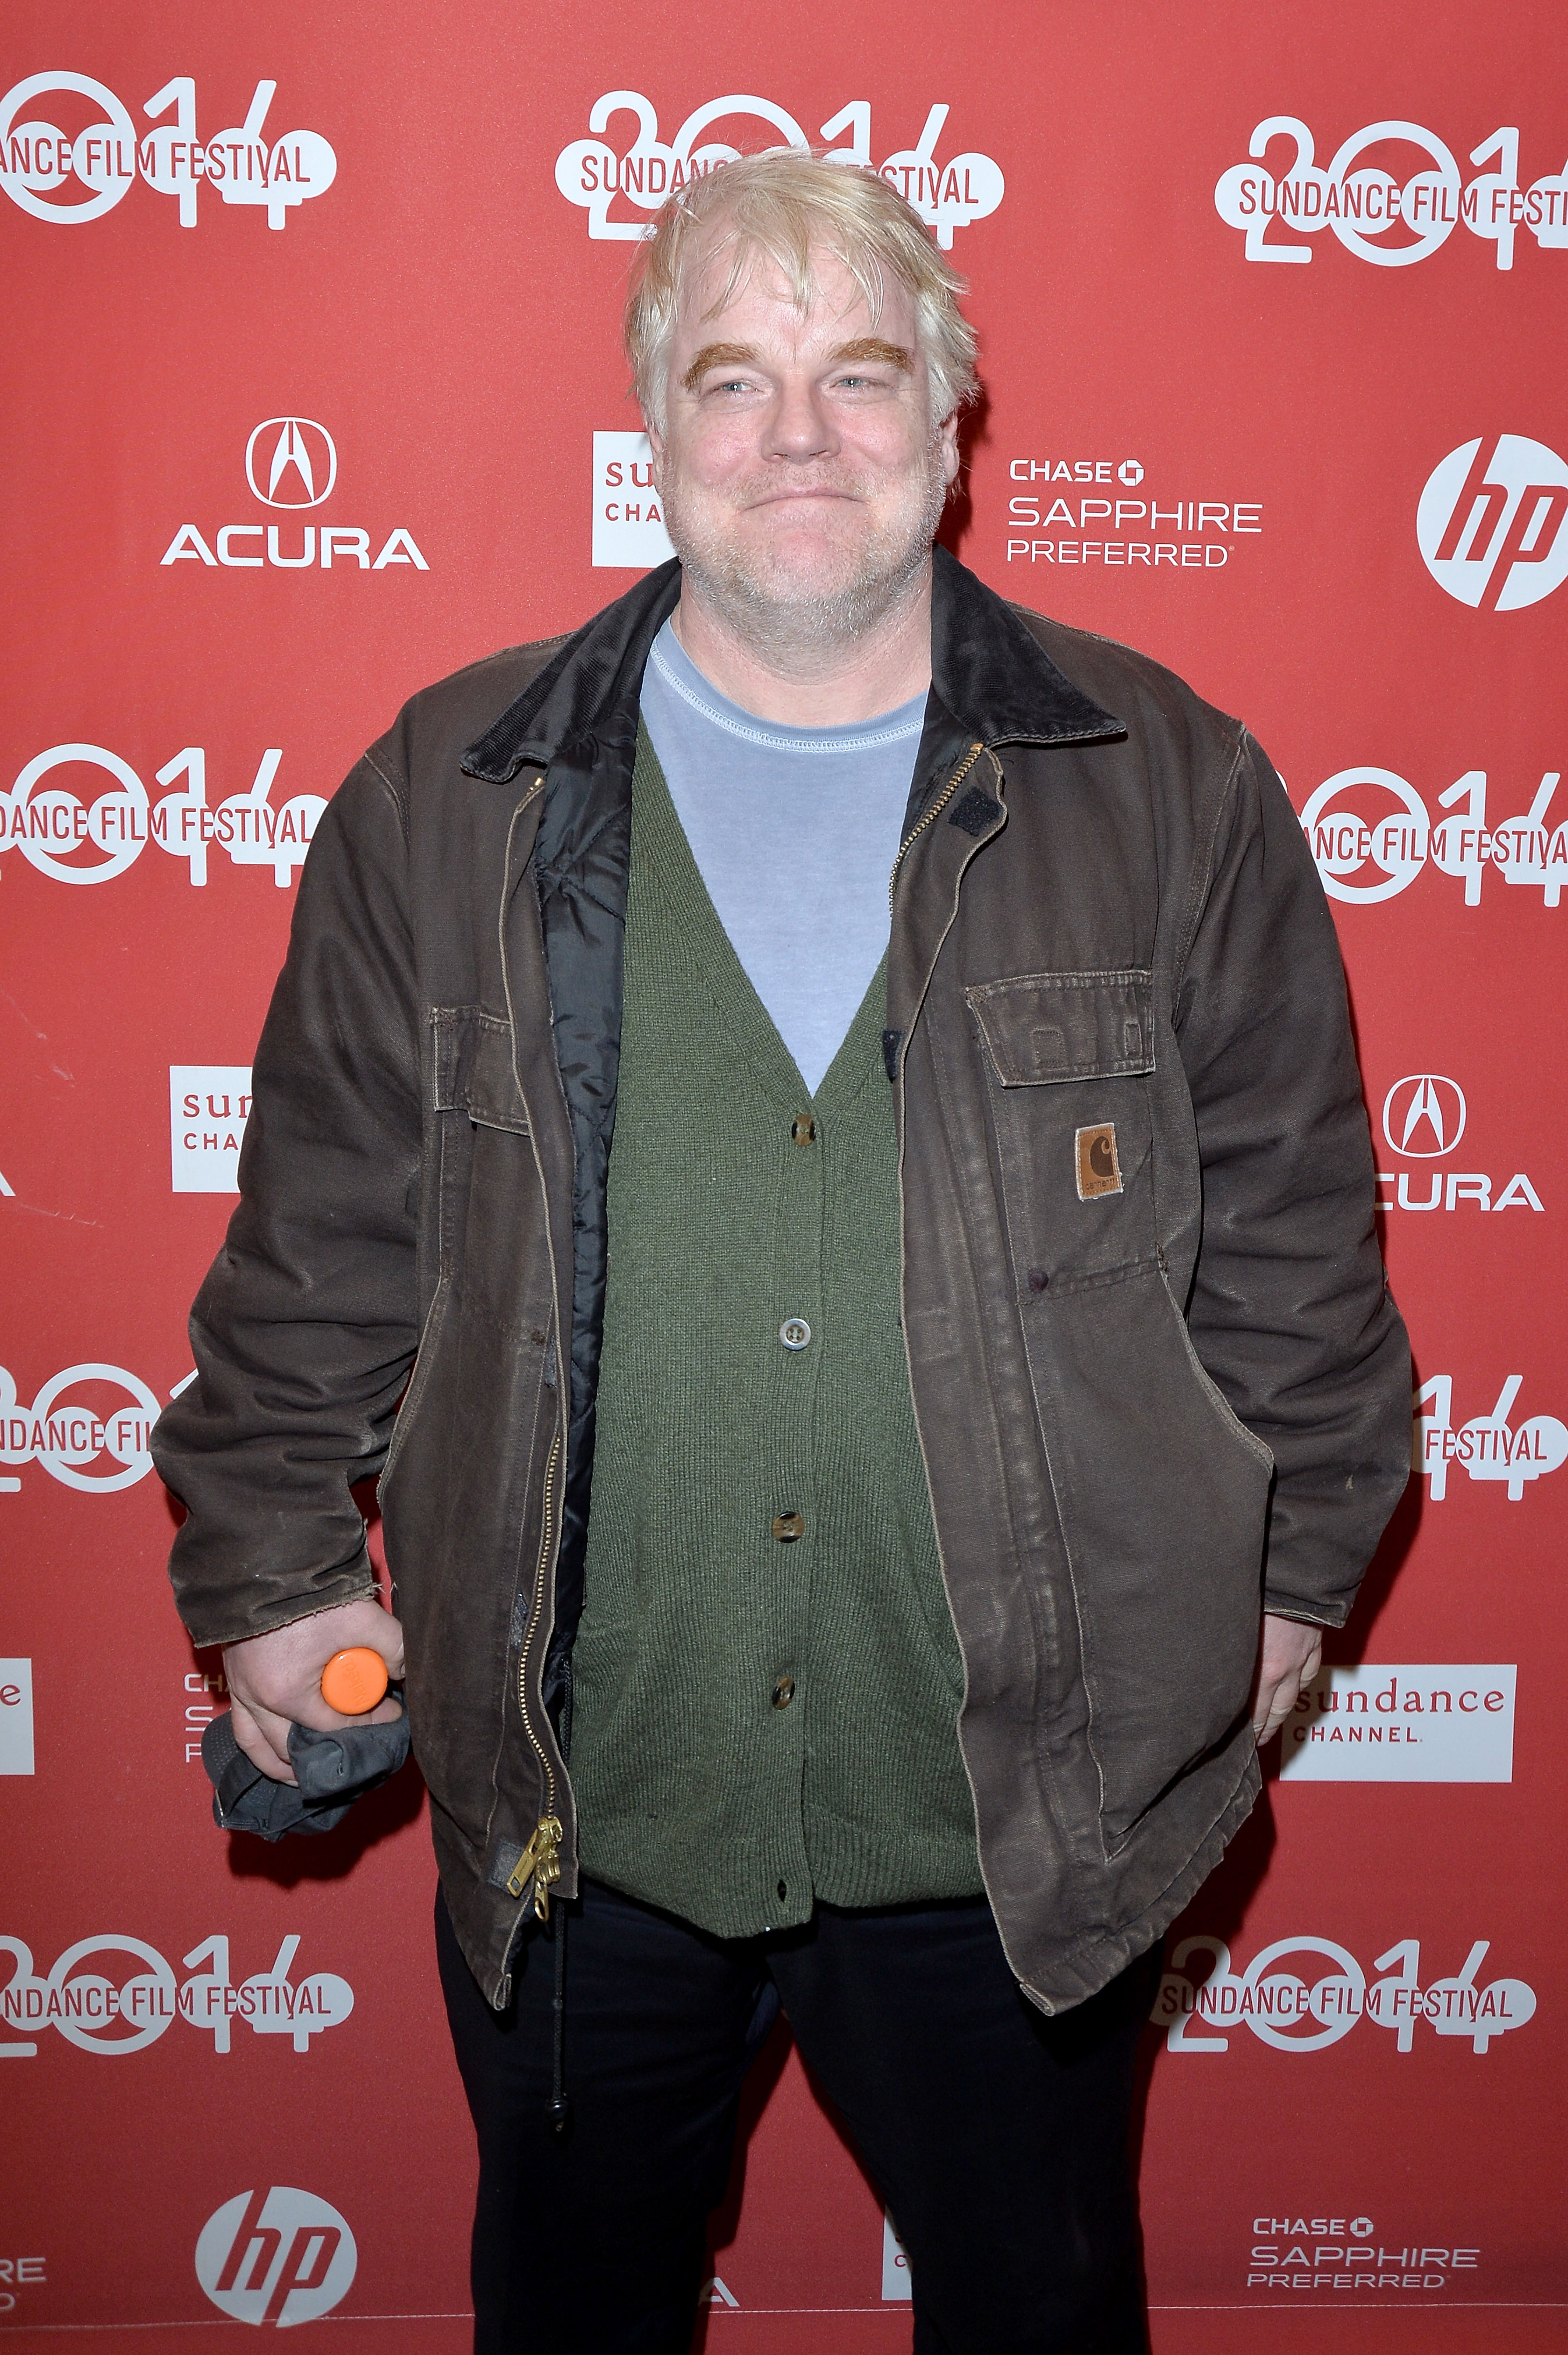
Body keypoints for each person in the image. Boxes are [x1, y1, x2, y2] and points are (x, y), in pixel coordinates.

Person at [154, 152, 1411, 2354]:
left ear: (949, 425)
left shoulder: (1166, 783)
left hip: (1022, 1812)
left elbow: (1302, 1243)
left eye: (860, 374)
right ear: (658, 428)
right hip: (585, 1807)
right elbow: (314, 1244)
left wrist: (1291, 1588)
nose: (800, 435)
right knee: (575, 2319)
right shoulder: (445, 798)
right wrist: (269, 1573)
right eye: (736, 381)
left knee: (1037, 2313)